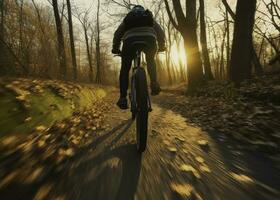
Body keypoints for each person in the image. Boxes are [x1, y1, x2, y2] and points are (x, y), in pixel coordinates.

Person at [112, 5, 166, 110]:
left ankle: (123, 98)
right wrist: (162, 45)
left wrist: (115, 47)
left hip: (130, 41)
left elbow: (118, 33)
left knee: (125, 68)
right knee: (150, 60)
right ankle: (154, 83)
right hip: (149, 39)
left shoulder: (128, 19)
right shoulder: (148, 16)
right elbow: (160, 31)